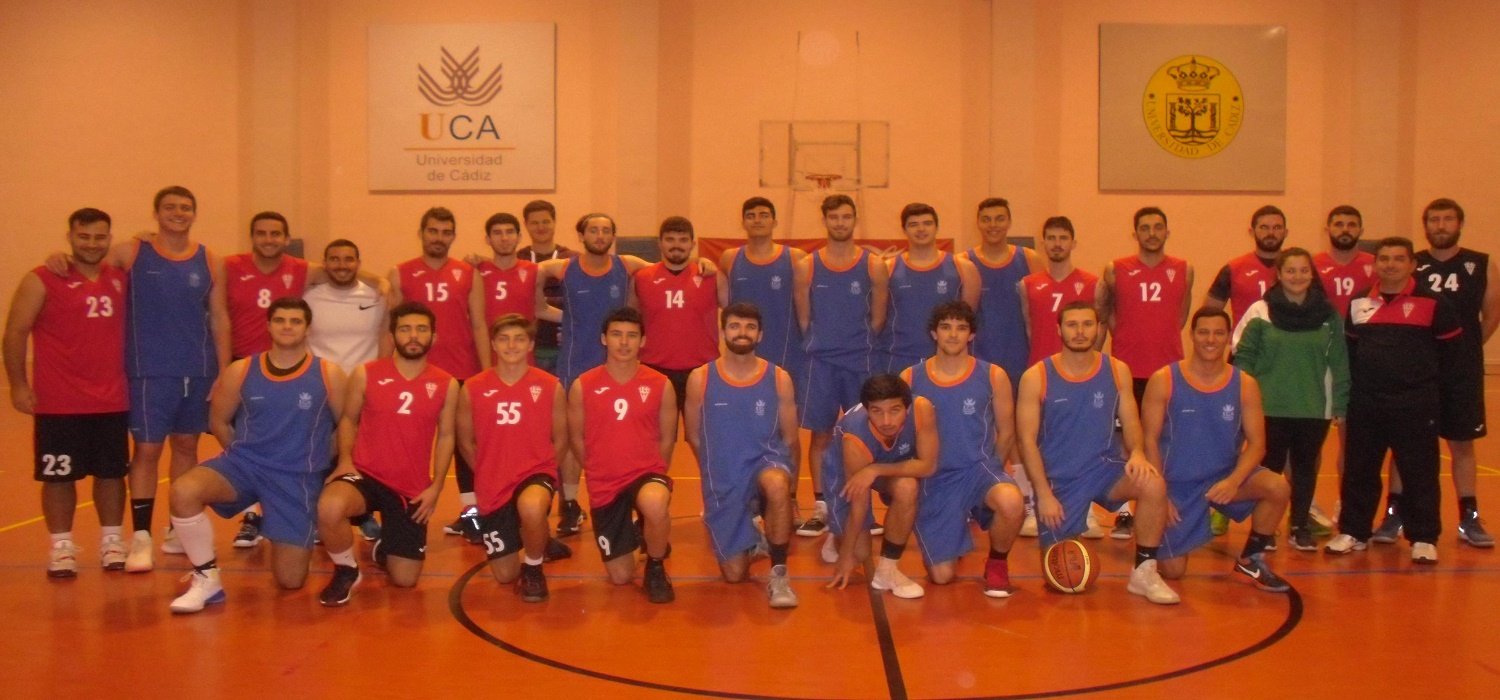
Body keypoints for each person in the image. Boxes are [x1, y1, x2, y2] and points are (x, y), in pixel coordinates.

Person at [43, 186, 231, 572]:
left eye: (185, 208)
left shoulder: (209, 259)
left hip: (197, 369)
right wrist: (58, 257)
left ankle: (177, 526)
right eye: (170, 207)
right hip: (149, 371)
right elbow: (87, 260)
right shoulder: (132, 252)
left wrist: (224, 371)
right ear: (156, 213)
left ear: (194, 213)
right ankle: (141, 535)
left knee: (186, 447)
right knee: (146, 451)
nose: (178, 213)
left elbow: (220, 317)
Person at [537, 213, 713, 539]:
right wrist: (561, 315)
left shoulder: (628, 265)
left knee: (636, 436)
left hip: (620, 362)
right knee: (573, 435)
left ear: (613, 236)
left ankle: (655, 495)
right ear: (582, 234)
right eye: (594, 230)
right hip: (577, 362)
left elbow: (669, 268)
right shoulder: (562, 267)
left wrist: (701, 261)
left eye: (606, 230)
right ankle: (571, 503)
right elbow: (532, 279)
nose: (600, 235)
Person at [165, 297, 346, 613]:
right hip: (245, 465)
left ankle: (276, 520)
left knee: (290, 580)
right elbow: (218, 420)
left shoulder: (329, 374)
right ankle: (207, 579)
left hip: (296, 478)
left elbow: (345, 426)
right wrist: (240, 455)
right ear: (269, 325)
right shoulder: (242, 370)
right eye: (280, 320)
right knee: (183, 491)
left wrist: (323, 465)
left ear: (307, 328)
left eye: (295, 321)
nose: (287, 326)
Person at [1015, 301, 1180, 604]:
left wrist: (1139, 454)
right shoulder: (1036, 376)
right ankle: (1069, 529)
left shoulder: (1117, 370)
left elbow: (1131, 422)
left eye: (1087, 324)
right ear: (1059, 329)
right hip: (1059, 480)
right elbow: (1026, 441)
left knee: (1153, 483)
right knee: (1062, 576)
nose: (1080, 331)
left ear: (1099, 328)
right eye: (1072, 324)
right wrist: (1044, 495)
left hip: (1105, 467)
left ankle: (1143, 572)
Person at [4, 208, 129, 577]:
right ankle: (61, 546)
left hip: (111, 398)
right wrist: (19, 385)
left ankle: (111, 541)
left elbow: (145, 244)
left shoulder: (121, 276)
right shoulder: (42, 278)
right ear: (70, 237)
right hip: (59, 401)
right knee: (58, 477)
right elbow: (14, 333)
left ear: (109, 238)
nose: (92, 244)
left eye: (99, 237)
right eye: (83, 236)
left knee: (111, 474)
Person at [1327, 237, 1463, 564]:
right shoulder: (1359, 302)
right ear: (1375, 265)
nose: (1390, 265)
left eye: (1398, 259)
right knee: (1360, 469)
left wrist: (1433, 394)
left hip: (1416, 403)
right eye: (1384, 259)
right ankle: (1354, 531)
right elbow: (1353, 351)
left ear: (1412, 265)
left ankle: (1424, 537)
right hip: (1367, 402)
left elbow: (1451, 355)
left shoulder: (1434, 303)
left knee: (1420, 471)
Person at [313, 302, 457, 606]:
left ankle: (383, 548)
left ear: (434, 337)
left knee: (405, 581)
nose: (413, 336)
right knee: (330, 506)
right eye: (405, 329)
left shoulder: (446, 383)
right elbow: (349, 419)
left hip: (410, 486)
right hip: (365, 473)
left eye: (421, 329)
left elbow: (446, 436)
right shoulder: (367, 373)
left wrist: (437, 486)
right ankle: (346, 570)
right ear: (393, 336)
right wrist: (345, 461)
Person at [1143, 308, 1290, 591]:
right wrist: (1159, 495)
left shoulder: (1245, 384)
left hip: (1223, 478)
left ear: (1228, 338)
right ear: (1192, 335)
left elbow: (1258, 444)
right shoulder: (1165, 379)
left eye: (1219, 333)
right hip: (1178, 486)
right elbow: (1148, 440)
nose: (1211, 339)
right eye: (1204, 332)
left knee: (1277, 487)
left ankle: (1251, 559)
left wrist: (1234, 481)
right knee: (1172, 572)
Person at [903, 302, 1025, 597]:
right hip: (936, 480)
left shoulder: (993, 375)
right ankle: (952, 536)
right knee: (941, 577)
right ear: (934, 333)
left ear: (971, 335)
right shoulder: (909, 378)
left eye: (961, 328)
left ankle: (997, 563)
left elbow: (1008, 429)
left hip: (978, 470)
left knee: (1010, 501)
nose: (953, 335)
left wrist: (994, 469)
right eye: (946, 327)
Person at [683, 302, 801, 608]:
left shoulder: (778, 378)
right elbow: (694, 436)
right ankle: (755, 538)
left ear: (760, 334)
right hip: (726, 478)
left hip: (766, 463)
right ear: (723, 332)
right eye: (735, 326)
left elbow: (790, 439)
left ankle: (780, 575)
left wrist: (791, 493)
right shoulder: (700, 378)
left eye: (750, 327)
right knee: (734, 574)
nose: (742, 333)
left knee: (776, 484)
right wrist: (715, 474)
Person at [1232, 248, 1350, 551]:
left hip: (1313, 406)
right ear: (1279, 275)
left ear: (1312, 274)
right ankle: (1265, 529)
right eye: (1290, 270)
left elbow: (1339, 361)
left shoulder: (1328, 314)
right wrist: (1242, 400)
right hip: (1267, 407)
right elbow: (1243, 358)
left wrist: (1340, 403)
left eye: (1303, 270)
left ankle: (1299, 526)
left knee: (1305, 468)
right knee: (1268, 469)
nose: (1297, 276)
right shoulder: (1261, 311)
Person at [794, 194, 890, 538]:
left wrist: (855, 342)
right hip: (821, 363)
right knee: (820, 435)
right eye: (833, 217)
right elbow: (804, 317)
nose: (840, 223)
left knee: (860, 437)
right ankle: (820, 507)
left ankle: (861, 508)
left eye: (846, 217)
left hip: (859, 362)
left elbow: (878, 318)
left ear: (855, 220)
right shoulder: (808, 265)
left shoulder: (872, 266)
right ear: (825, 221)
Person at [568, 307, 678, 603]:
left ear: (643, 341)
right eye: (617, 335)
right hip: (605, 482)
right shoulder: (583, 385)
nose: (624, 342)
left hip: (645, 473)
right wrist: (594, 468)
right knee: (620, 577)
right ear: (604, 339)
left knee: (655, 502)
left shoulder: (660, 384)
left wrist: (657, 473)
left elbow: (668, 437)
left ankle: (655, 567)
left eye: (632, 335)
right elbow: (576, 437)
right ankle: (637, 531)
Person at [1096, 207, 1193, 540]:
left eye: (1158, 227)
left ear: (1168, 231)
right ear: (1134, 233)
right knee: (1125, 443)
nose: (1151, 233)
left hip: (1167, 372)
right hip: (1127, 370)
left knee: (1166, 440)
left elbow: (1179, 317)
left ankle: (1164, 503)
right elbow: (1107, 315)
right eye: (1145, 228)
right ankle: (1124, 513)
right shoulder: (1115, 270)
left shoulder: (1184, 269)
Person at [388, 207, 484, 543]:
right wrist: (386, 370)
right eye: (433, 231)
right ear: (422, 233)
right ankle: (398, 509)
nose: (439, 238)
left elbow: (479, 324)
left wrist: (484, 376)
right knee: (406, 443)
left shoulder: (468, 274)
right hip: (415, 375)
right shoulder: (401, 274)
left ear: (453, 236)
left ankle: (472, 514)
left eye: (446, 232)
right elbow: (390, 329)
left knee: (464, 446)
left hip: (461, 373)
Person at [459, 313, 570, 603]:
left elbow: (561, 438)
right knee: (504, 575)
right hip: (493, 483)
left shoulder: (549, 385)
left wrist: (546, 469)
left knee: (532, 507)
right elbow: (465, 442)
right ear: (494, 344)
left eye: (519, 339)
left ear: (531, 344)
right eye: (504, 339)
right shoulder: (473, 387)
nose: (512, 345)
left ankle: (533, 569)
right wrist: (485, 471)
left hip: (535, 474)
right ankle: (539, 539)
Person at [1407, 199, 1498, 548]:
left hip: (1461, 372)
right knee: (1409, 445)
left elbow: (1491, 313)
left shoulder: (1481, 264)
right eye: (1434, 220)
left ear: (1460, 223)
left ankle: (1469, 518)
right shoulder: (1412, 265)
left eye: (1447, 219)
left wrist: (1465, 350)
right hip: (1420, 371)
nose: (1440, 225)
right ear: (1425, 225)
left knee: (1462, 445)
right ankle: (1396, 513)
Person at [1017, 216, 1100, 538]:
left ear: (1073, 242)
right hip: (1042, 374)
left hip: (1082, 375)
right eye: (1050, 238)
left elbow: (1099, 331)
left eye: (1063, 237)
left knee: (1085, 441)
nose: (1056, 244)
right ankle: (1032, 507)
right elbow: (1028, 326)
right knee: (1036, 440)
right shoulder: (1028, 285)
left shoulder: (1093, 284)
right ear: (1043, 244)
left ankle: (1088, 511)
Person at [823, 375, 934, 600]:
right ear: (866, 410)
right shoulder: (855, 438)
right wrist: (845, 555)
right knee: (858, 554)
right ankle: (836, 536)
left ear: (908, 407)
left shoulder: (922, 408)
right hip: (846, 467)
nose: (886, 421)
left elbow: (927, 466)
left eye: (894, 410)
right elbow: (859, 503)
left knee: (907, 487)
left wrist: (875, 470)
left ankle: (887, 571)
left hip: (888, 464)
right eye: (876, 411)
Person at [1311, 205, 1375, 532]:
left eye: (1352, 223)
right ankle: (1307, 505)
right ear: (1328, 228)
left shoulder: (1374, 266)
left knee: (1352, 441)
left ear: (1361, 230)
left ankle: (1345, 501)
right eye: (1338, 223)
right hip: (1321, 360)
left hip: (1363, 360)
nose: (1345, 228)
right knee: (1312, 438)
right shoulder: (1314, 266)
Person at [718, 197, 808, 405]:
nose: (757, 220)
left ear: (774, 222)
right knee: (744, 407)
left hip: (786, 350)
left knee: (783, 414)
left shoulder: (796, 258)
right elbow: (723, 299)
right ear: (743, 223)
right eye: (751, 216)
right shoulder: (729, 258)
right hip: (743, 348)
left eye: (764, 215)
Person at [636, 217, 720, 418]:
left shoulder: (712, 276)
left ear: (692, 244)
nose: (676, 245)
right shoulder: (641, 277)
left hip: (702, 368)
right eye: (670, 239)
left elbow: (735, 310)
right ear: (660, 243)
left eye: (683, 240)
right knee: (657, 438)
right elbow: (631, 320)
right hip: (654, 368)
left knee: (704, 437)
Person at [881, 203, 980, 373]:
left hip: (947, 360)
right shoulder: (887, 269)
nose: (921, 229)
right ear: (904, 230)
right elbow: (878, 319)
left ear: (936, 227)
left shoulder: (963, 268)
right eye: (913, 224)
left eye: (927, 223)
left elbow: (967, 321)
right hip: (899, 358)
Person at [965, 198, 1041, 389]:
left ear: (1009, 222)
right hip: (978, 358)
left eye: (999, 219)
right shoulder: (963, 262)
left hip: (1022, 359)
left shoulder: (1030, 259)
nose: (993, 225)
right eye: (986, 219)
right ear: (977, 223)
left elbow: (1042, 312)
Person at [470, 212, 559, 368]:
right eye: (497, 233)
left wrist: (580, 319)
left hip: (521, 356)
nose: (504, 238)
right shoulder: (476, 271)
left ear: (519, 237)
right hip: (484, 356)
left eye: (510, 232)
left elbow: (540, 310)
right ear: (487, 239)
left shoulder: (535, 271)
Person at [304, 239, 392, 376]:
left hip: (363, 383)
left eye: (349, 260)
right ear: (324, 264)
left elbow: (385, 338)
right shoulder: (307, 298)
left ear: (358, 264)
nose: (342, 265)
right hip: (319, 382)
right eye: (334, 259)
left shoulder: (379, 297)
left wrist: (380, 375)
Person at [1202, 205, 1288, 329]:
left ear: (1286, 233)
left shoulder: (1298, 269)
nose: (1271, 233)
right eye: (1264, 227)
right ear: (1251, 232)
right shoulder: (1233, 269)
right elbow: (1208, 316)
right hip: (1244, 346)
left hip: (1285, 345)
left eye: (1277, 227)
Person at [516, 200, 574, 375]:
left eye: (546, 222)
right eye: (534, 223)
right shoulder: (518, 259)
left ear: (554, 222)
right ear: (525, 225)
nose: (540, 227)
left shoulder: (571, 259)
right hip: (527, 348)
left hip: (565, 346)